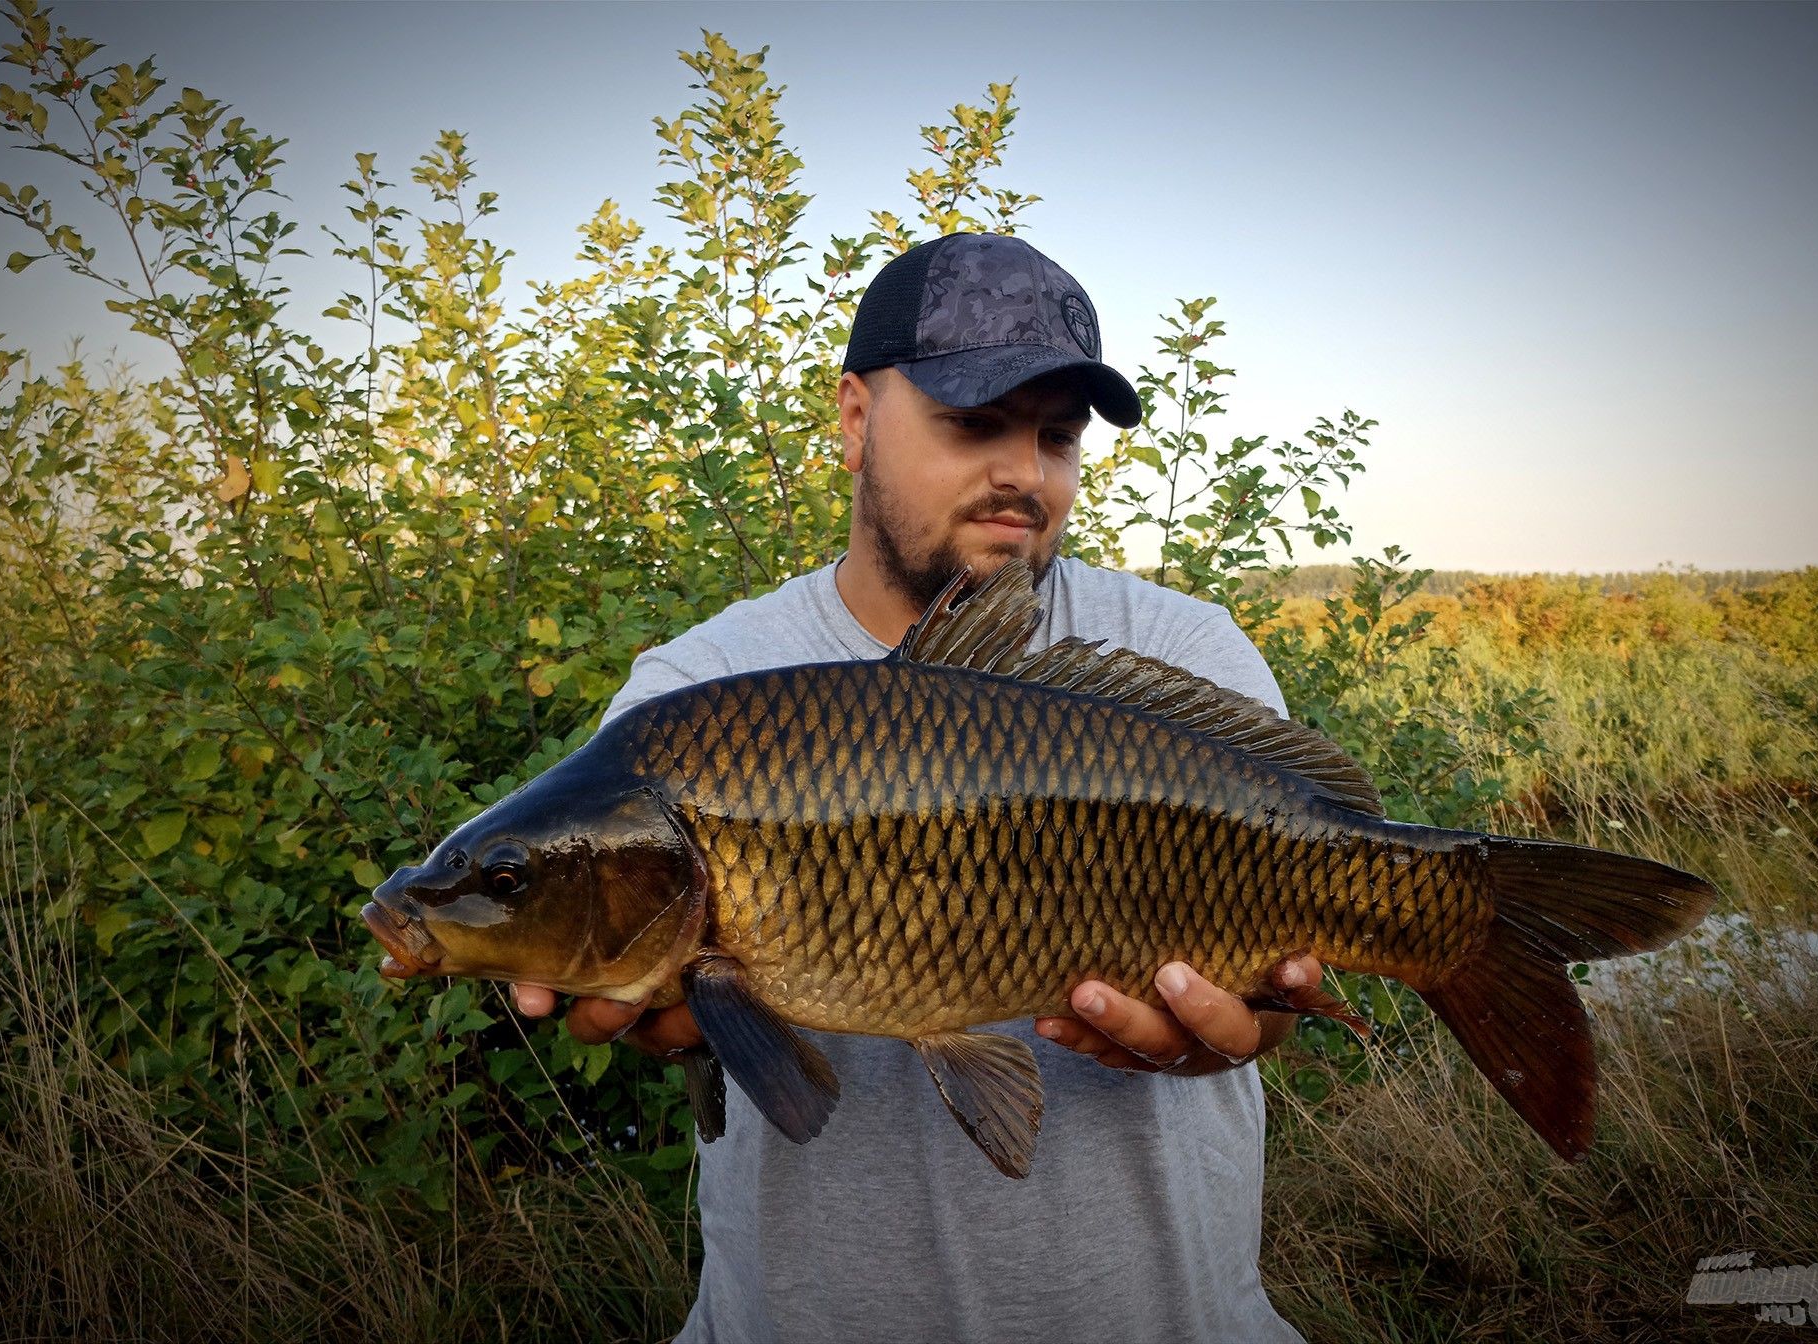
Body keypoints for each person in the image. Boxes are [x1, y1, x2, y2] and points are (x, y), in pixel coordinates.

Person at [514, 232, 1319, 1343]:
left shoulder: (1185, 655)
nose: (1024, 476)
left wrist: (1244, 1028)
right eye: (974, 422)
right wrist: (684, 1015)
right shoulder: (698, 691)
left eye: (1056, 436)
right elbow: (656, 1004)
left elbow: (1278, 999)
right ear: (854, 420)